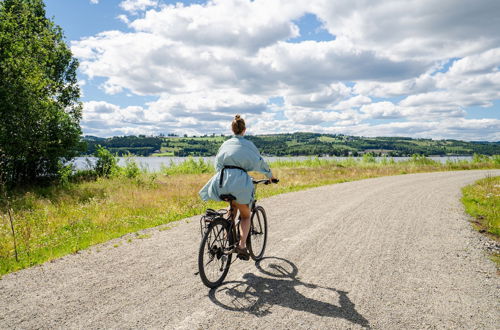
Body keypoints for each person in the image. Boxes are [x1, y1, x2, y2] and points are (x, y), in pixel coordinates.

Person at [199, 115, 277, 260]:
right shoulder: (248, 145)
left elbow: (217, 165)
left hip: (222, 181)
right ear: (244, 130)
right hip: (240, 182)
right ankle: (241, 246)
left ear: (232, 129)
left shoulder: (225, 144)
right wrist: (270, 176)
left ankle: (226, 237)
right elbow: (260, 162)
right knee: (246, 215)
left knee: (232, 209)